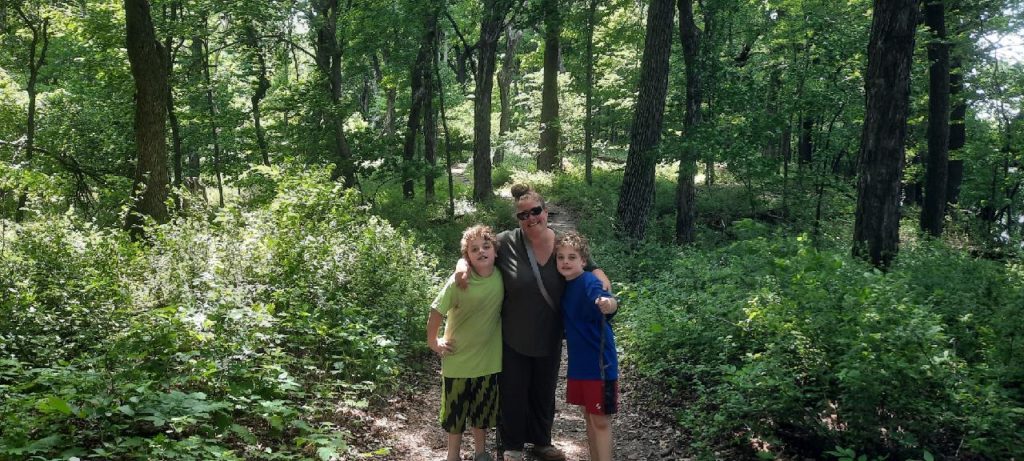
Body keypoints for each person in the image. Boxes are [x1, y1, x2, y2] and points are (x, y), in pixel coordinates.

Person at [455, 184, 615, 461]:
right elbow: (477, 252)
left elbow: (589, 266)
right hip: (512, 332)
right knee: (513, 391)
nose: (531, 218)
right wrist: (461, 266)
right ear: (517, 219)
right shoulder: (506, 242)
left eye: (535, 211)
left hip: (551, 332)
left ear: (546, 211)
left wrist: (604, 284)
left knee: (543, 390)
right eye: (523, 215)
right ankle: (512, 445)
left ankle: (542, 442)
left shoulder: (562, 245)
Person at [427, 225, 504, 461]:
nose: (481, 251)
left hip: (488, 361)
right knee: (455, 415)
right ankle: (453, 455)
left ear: (495, 251)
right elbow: (436, 310)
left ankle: (481, 452)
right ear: (467, 256)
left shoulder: (502, 275)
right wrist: (433, 341)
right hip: (457, 360)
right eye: (474, 249)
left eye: (486, 246)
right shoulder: (460, 281)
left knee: (482, 413)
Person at [555, 232, 619, 461]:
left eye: (572, 257)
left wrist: (607, 303)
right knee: (589, 416)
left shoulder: (589, 280)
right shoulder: (565, 286)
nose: (565, 262)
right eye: (560, 257)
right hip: (579, 365)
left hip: (600, 363)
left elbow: (608, 301)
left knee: (600, 419)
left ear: (584, 261)